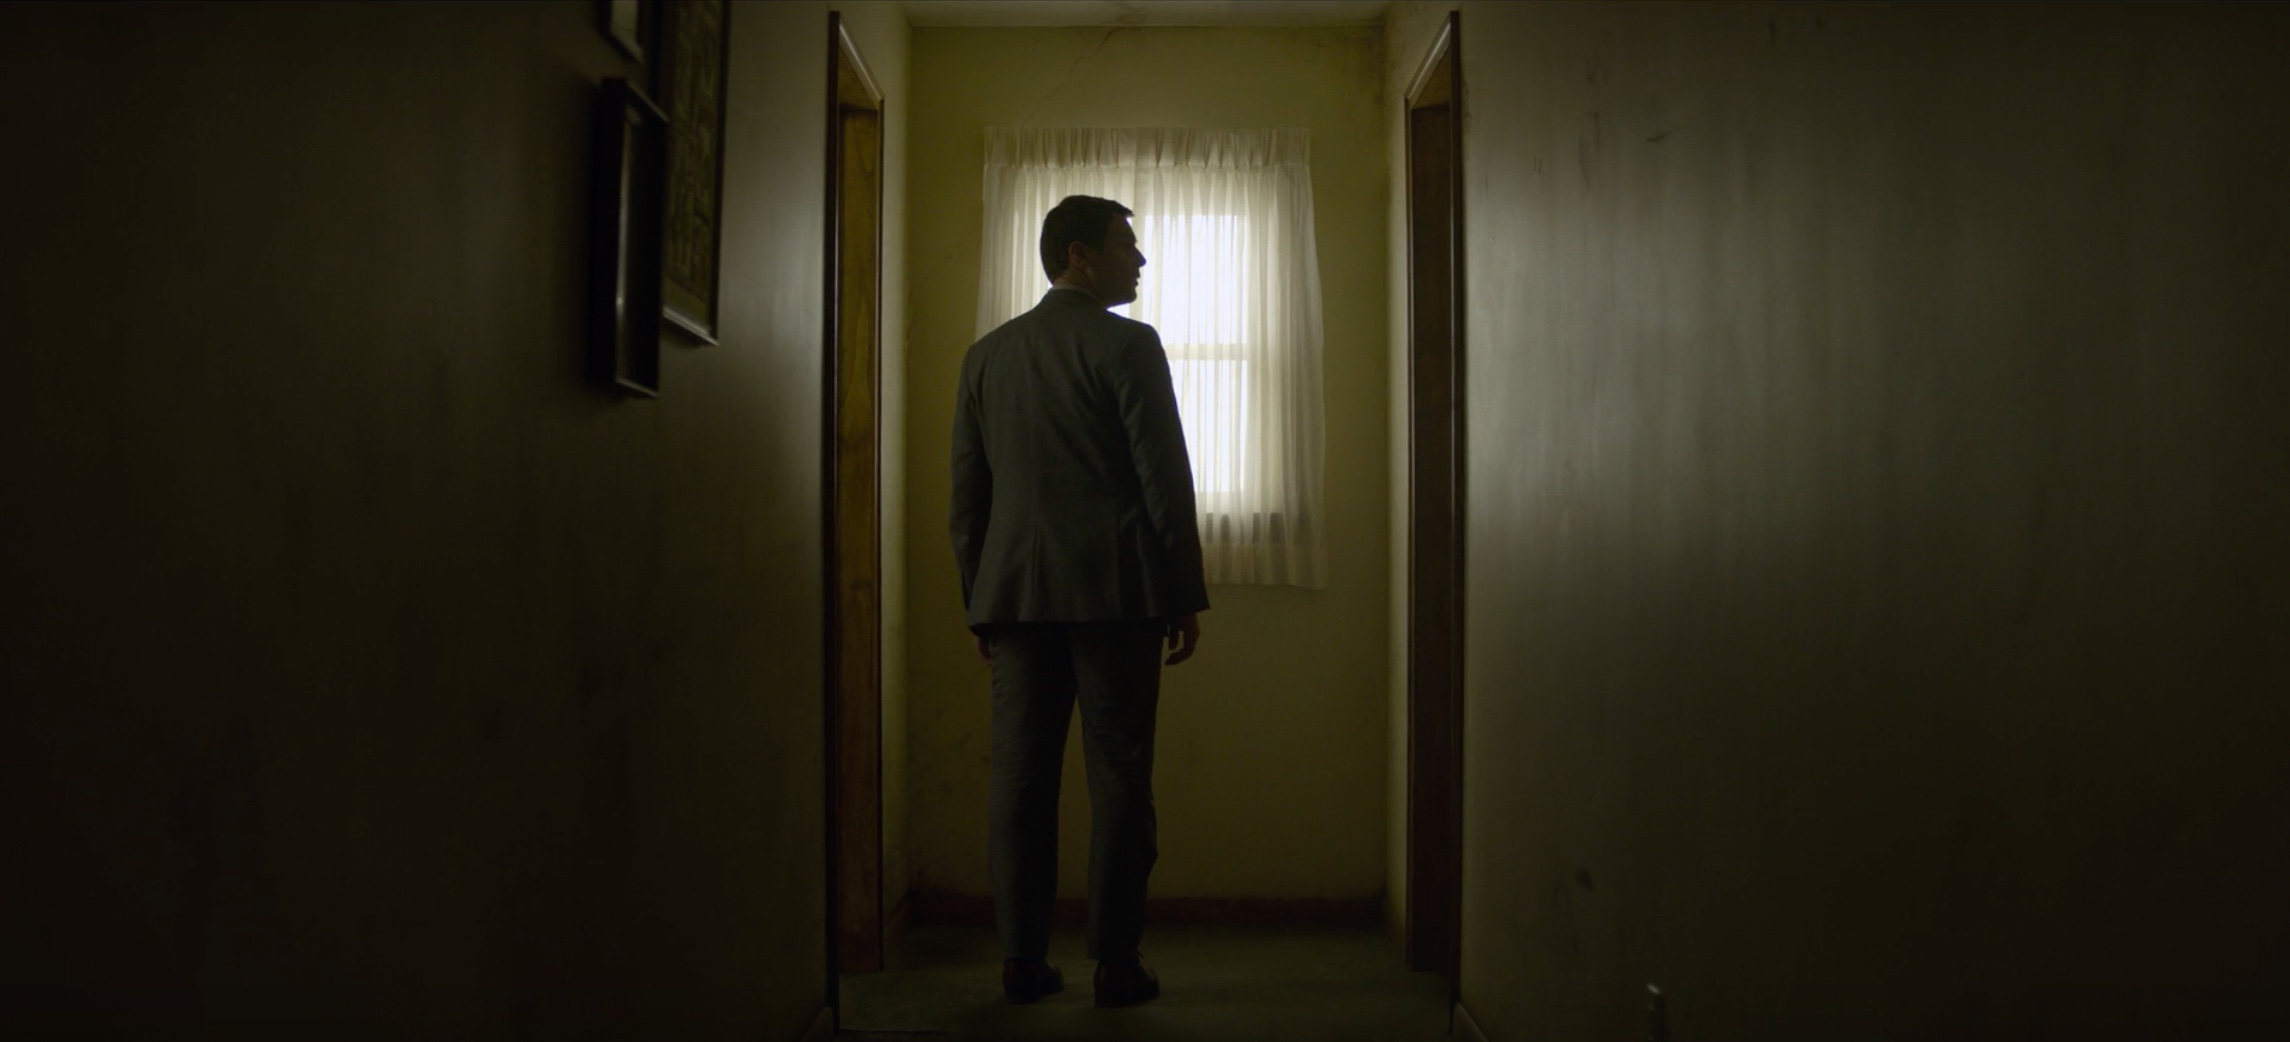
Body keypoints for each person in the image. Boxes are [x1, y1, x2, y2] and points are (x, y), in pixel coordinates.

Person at [949, 195, 1210, 1008]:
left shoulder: (987, 356)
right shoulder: (1128, 345)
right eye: (1126, 244)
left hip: (1016, 598)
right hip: (1117, 596)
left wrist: (980, 603)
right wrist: (1183, 594)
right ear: (1079, 256)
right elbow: (1163, 477)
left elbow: (969, 499)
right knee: (1121, 778)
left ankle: (1021, 960)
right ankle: (1116, 964)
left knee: (1019, 782)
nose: (1140, 259)